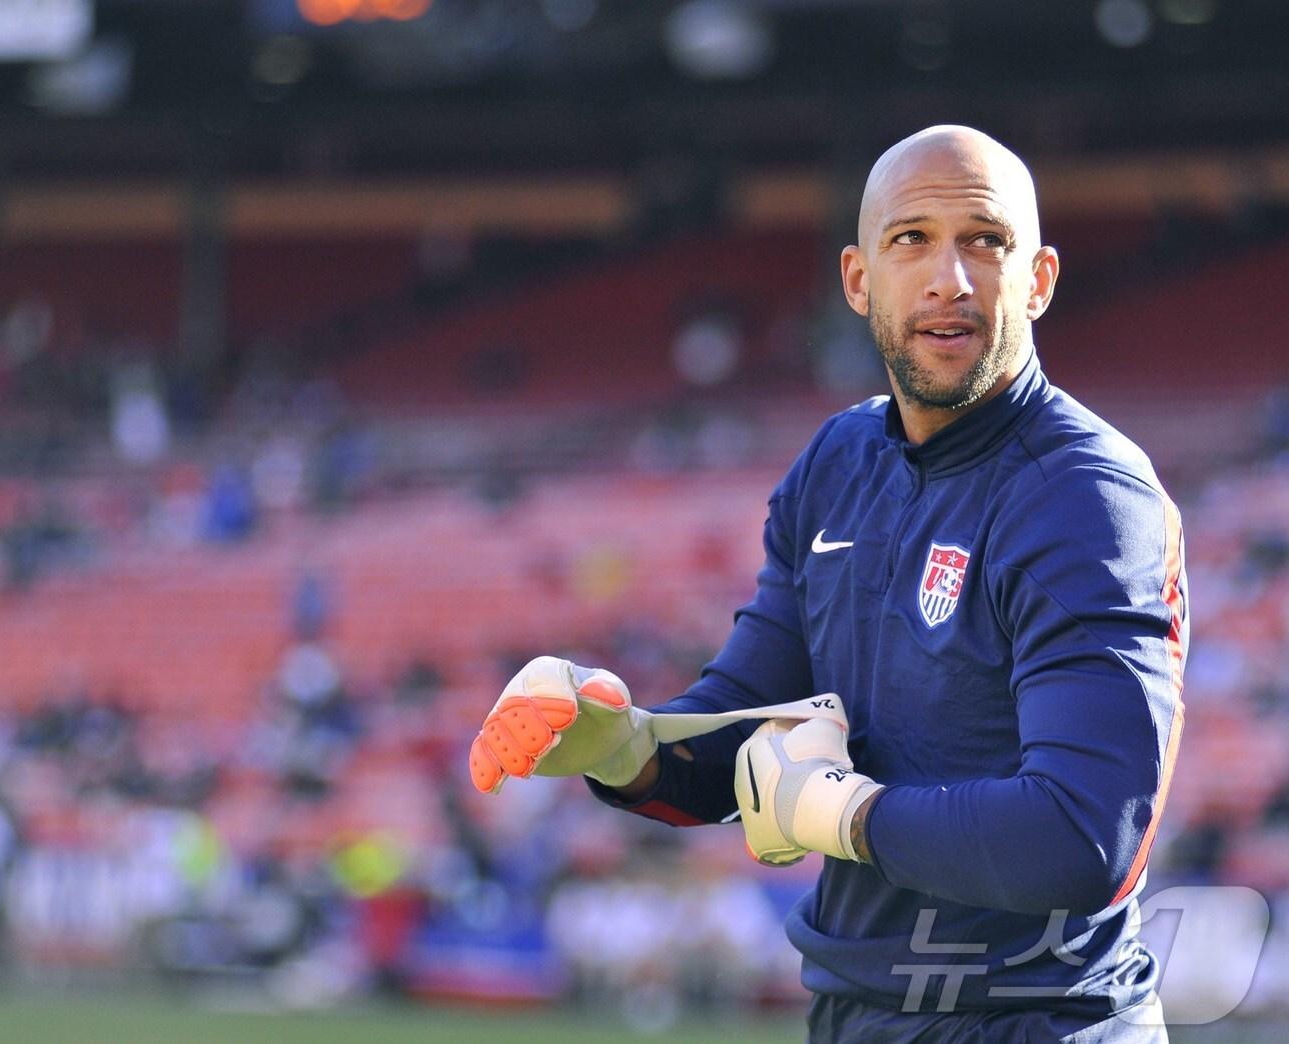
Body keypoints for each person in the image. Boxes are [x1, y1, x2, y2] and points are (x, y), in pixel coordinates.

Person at [469, 125, 1187, 1042]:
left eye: (986, 241)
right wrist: (626, 745)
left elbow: (1085, 840)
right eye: (911, 240)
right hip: (855, 1017)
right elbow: (748, 724)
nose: (950, 278)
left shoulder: (1089, 498)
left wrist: (843, 813)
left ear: (1040, 278)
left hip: (1038, 1022)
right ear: (857, 280)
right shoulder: (837, 464)